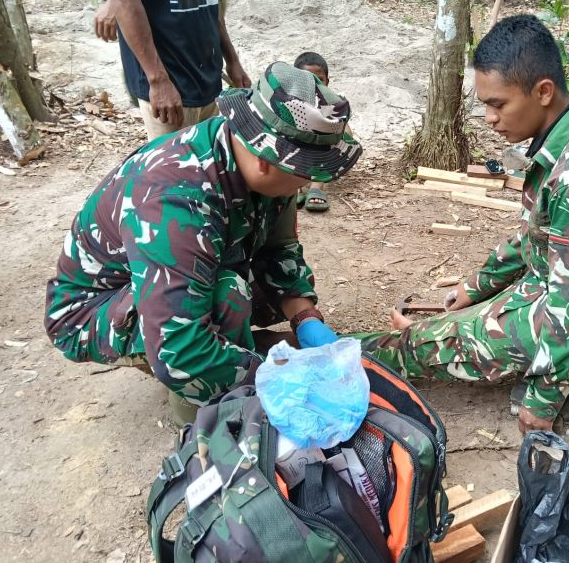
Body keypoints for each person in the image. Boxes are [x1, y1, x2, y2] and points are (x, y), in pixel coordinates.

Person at [357, 15, 569, 433]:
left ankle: (350, 356)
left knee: (424, 345)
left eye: (498, 104)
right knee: (448, 328)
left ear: (543, 92)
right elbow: (534, 236)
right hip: (552, 292)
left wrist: (543, 400)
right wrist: (477, 286)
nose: (489, 118)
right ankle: (417, 341)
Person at [44, 62, 361, 414]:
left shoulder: (257, 157)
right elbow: (180, 349)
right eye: (307, 171)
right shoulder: (174, 198)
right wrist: (276, 380)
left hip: (181, 271)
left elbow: (278, 251)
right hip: (91, 311)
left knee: (259, 293)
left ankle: (234, 353)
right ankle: (202, 406)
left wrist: (305, 319)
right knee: (227, 296)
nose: (308, 182)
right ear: (267, 161)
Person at [98, 0, 250, 141]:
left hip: (208, 80)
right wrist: (158, 80)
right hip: (171, 84)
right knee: (175, 161)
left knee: (209, 159)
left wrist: (232, 60)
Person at [293, 52, 338, 213]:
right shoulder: (289, 103)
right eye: (307, 80)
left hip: (319, 151)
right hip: (294, 153)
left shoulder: (329, 104)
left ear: (327, 82)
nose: (314, 86)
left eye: (320, 80)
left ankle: (316, 187)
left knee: (336, 133)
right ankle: (294, 187)